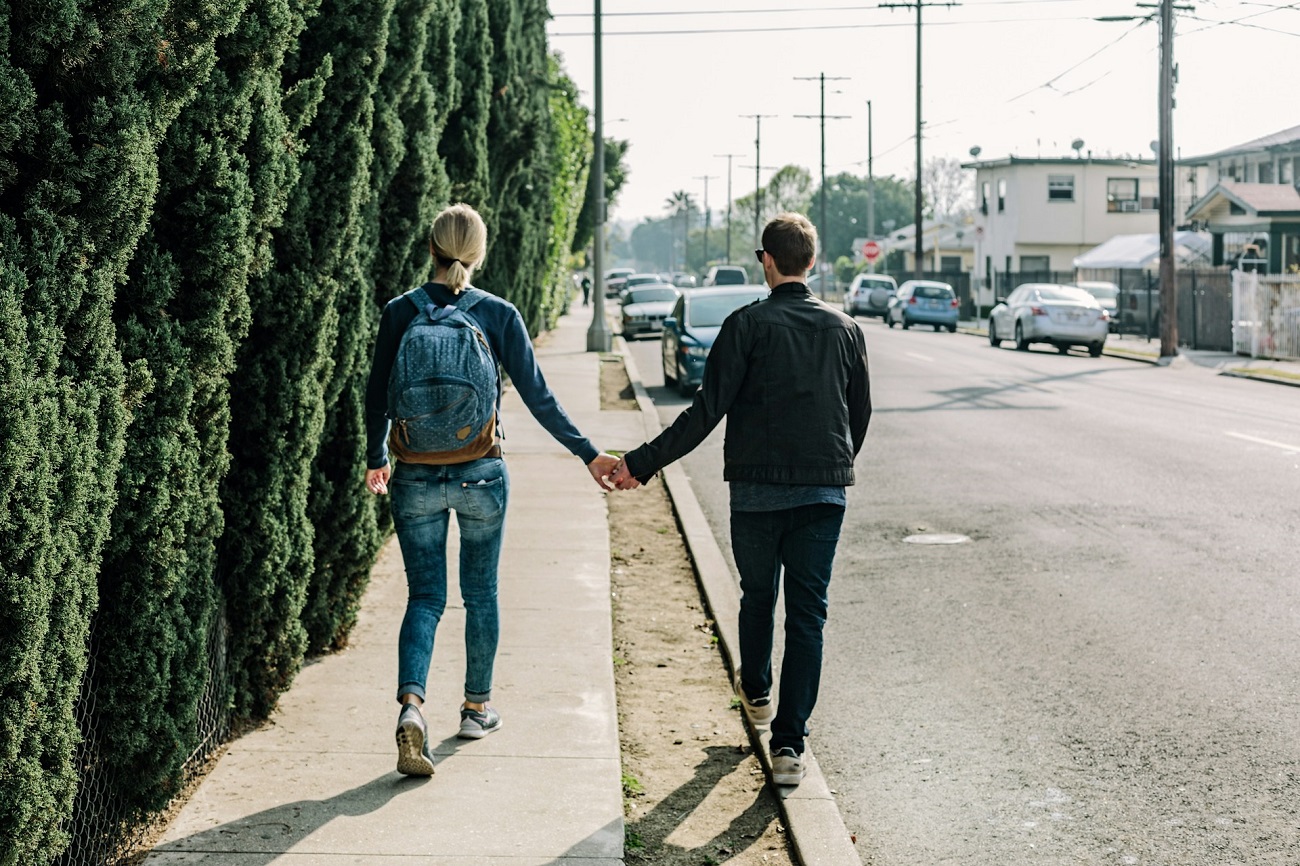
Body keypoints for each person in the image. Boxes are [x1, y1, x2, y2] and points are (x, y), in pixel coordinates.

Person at [610, 212, 871, 786]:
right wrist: (831, 465)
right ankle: (789, 748)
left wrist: (640, 463)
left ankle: (755, 691)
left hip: (756, 492)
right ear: (812, 261)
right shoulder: (846, 329)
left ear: (767, 261)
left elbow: (706, 413)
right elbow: (860, 415)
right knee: (809, 616)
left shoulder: (746, 325)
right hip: (825, 494)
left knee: (758, 597)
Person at [364, 203, 619, 777]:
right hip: (482, 473)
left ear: (430, 248)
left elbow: (376, 394)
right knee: (480, 592)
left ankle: (411, 707)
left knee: (425, 597)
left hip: (416, 476)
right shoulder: (499, 314)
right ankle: (476, 708)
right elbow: (538, 396)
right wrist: (587, 453)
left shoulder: (400, 312)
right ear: (478, 254)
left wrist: (376, 456)